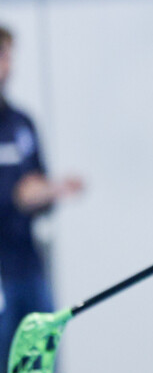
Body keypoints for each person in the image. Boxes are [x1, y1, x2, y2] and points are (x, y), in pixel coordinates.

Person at [0, 25, 84, 355]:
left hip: (27, 267)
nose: (7, 65)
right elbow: (18, 193)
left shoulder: (22, 123)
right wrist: (16, 195)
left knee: (38, 362)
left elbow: (38, 187)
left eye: (9, 56)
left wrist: (52, 191)